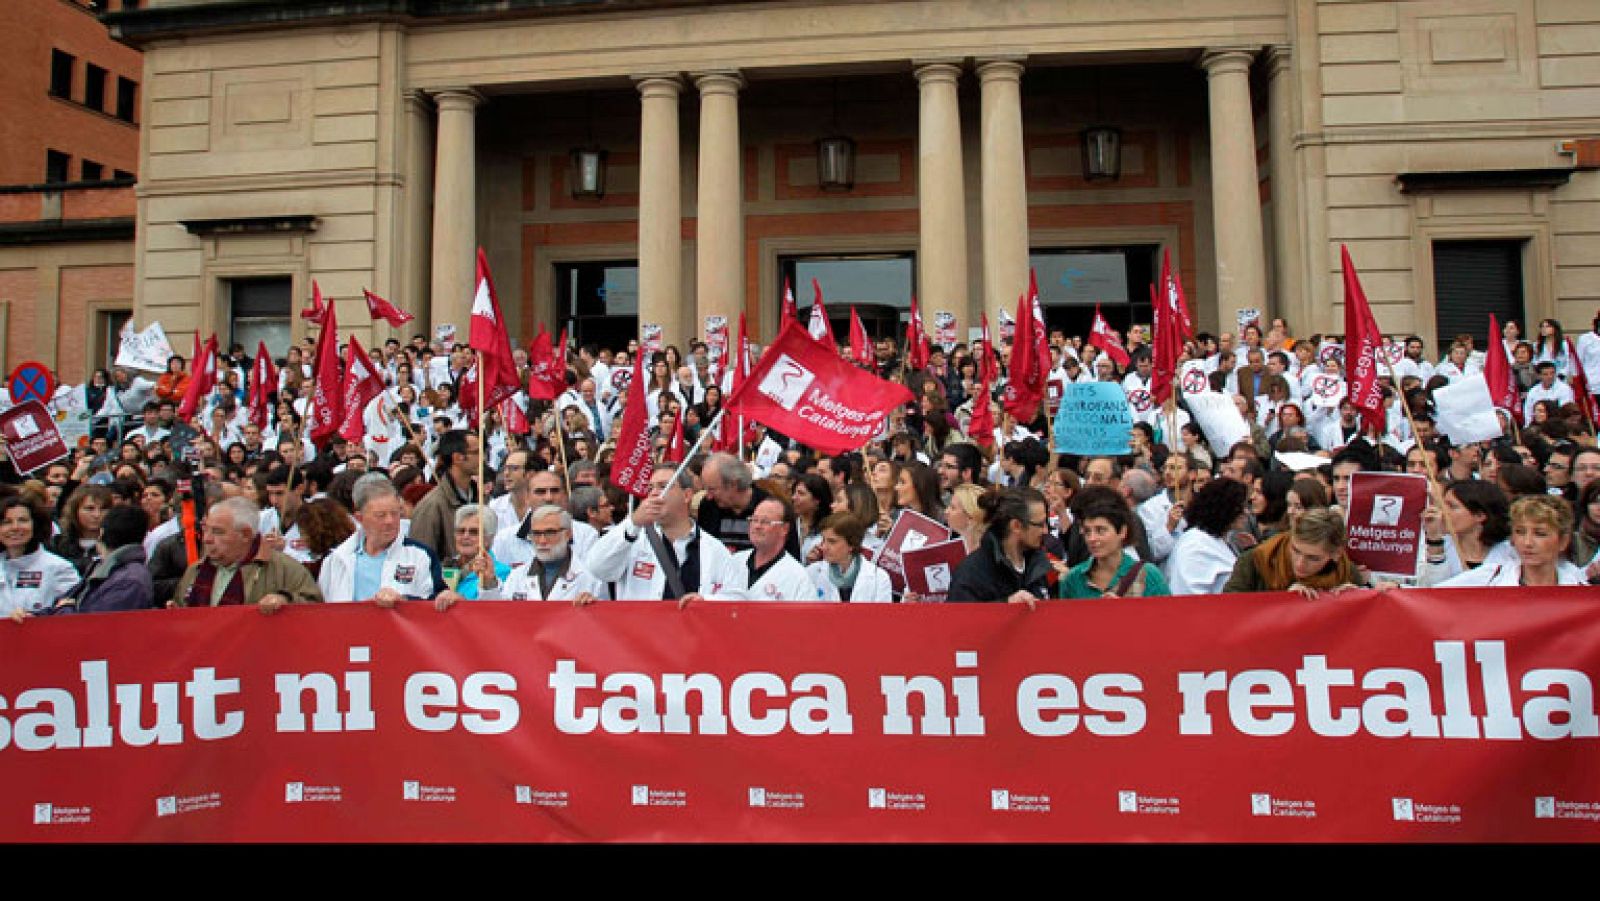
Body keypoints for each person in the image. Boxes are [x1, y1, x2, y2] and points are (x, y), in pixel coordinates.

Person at [586, 463, 742, 602]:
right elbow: (597, 568)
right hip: (643, 633)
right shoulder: (633, 539)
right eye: (650, 488)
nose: (654, 493)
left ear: (687, 495)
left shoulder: (715, 550)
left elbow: (735, 598)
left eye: (663, 486)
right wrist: (632, 524)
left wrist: (705, 601)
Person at [171, 497, 323, 611]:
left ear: (245, 534)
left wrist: (286, 600)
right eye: (206, 530)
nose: (207, 539)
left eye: (218, 532)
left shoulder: (285, 569)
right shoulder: (196, 570)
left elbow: (315, 610)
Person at [319, 474, 443, 604]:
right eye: (381, 515)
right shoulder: (335, 559)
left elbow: (436, 606)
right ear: (359, 518)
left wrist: (404, 601)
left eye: (395, 513)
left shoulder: (421, 555)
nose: (390, 521)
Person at [1440, 495, 1588, 586]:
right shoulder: (1487, 579)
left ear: (1563, 541)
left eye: (1540, 534)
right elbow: (1431, 599)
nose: (1527, 543)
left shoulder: (1580, 589)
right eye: (1520, 532)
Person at [474, 505, 608, 604]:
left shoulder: (590, 578)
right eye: (536, 534)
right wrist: (489, 583)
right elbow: (498, 615)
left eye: (550, 533)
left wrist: (594, 606)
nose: (542, 541)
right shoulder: (518, 575)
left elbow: (604, 622)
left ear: (568, 534)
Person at [35, 506, 153, 616]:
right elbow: (65, 601)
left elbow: (94, 624)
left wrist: (64, 608)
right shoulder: (102, 567)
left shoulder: (128, 580)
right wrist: (31, 616)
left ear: (102, 533)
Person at [946, 487, 1051, 607]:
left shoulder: (1037, 564)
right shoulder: (972, 572)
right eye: (1040, 524)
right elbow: (958, 619)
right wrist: (1005, 605)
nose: (1045, 531)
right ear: (1016, 526)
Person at [1222, 508, 1361, 598]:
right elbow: (1230, 611)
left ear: (1336, 554)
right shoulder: (1255, 561)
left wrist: (1355, 600)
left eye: (1313, 558)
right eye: (1295, 550)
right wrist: (1284, 601)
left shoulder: (1346, 572)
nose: (1300, 563)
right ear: (1290, 536)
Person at [706, 496, 814, 603]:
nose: (757, 526)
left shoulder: (798, 576)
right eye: (754, 520)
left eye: (765, 522)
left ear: (784, 529)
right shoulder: (734, 561)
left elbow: (806, 618)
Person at [1059, 498, 1170, 599]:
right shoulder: (1073, 580)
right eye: (1087, 531)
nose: (1092, 538)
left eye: (1101, 530)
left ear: (1122, 532)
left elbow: (1167, 617)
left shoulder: (1148, 575)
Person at [1164, 477, 1250, 595]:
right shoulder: (1196, 545)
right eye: (1241, 507)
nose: (1247, 512)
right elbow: (1189, 594)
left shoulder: (1219, 540)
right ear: (1225, 508)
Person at [0, 497, 82, 618]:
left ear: (36, 524)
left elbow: (77, 614)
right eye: (6, 522)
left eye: (23, 520)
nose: (15, 527)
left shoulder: (59, 567)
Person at [408, 429, 480, 560]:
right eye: (476, 452)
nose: (482, 458)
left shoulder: (478, 497)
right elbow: (421, 560)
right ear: (457, 458)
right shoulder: (432, 505)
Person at [807, 512, 894, 603]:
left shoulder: (879, 578)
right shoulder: (812, 573)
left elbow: (882, 616)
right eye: (823, 540)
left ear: (852, 544)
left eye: (832, 542)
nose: (824, 547)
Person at [439, 504, 510, 600]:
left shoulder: (502, 573)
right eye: (461, 531)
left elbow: (494, 610)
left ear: (489, 538)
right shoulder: (442, 567)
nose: (465, 536)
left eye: (474, 532)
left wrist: (462, 603)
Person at [48, 483, 113, 578]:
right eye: (90, 508)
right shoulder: (57, 544)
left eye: (103, 509)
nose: (97, 515)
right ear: (75, 511)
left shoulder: (115, 546)